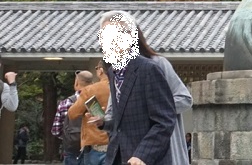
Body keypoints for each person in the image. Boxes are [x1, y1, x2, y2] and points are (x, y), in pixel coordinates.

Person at [99, 11, 194, 165]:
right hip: (120, 153)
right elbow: (119, 116)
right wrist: (103, 123)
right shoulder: (114, 71)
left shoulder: (153, 66)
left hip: (148, 153)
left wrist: (142, 155)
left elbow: (167, 116)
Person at [69, 62, 111, 165]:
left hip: (95, 143)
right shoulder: (121, 87)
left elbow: (72, 113)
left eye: (96, 68)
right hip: (117, 143)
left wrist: (80, 91)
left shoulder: (91, 90)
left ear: (101, 70)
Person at [53, 70, 94, 165]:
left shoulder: (66, 103)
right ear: (92, 83)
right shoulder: (94, 102)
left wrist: (68, 137)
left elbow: (56, 130)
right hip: (91, 148)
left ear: (76, 83)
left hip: (71, 149)